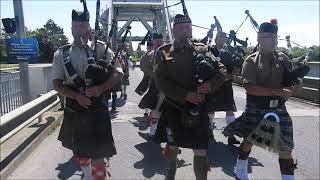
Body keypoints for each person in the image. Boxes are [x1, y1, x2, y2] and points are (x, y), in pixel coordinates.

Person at [223, 19, 302, 180]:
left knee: (285, 147)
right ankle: (241, 170)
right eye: (269, 36)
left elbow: (294, 79)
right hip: (256, 107)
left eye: (275, 36)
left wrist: (295, 87)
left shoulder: (283, 58)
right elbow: (249, 87)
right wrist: (277, 91)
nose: (274, 39)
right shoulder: (251, 60)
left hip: (279, 108)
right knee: (249, 141)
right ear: (259, 38)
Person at [153, 14, 228, 180]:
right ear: (173, 30)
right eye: (181, 28)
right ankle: (170, 175)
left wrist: (210, 85)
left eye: (188, 27)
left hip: (198, 107)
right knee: (172, 146)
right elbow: (161, 82)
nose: (185, 31)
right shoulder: (163, 52)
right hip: (174, 106)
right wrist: (186, 95)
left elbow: (222, 71)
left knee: (200, 148)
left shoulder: (202, 49)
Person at [52, 8, 123, 180]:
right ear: (71, 29)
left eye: (83, 26)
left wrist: (101, 88)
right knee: (81, 153)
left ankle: (98, 175)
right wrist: (76, 96)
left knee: (98, 154)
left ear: (89, 28)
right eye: (76, 26)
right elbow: (56, 83)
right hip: (75, 108)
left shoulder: (101, 49)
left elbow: (118, 72)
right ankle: (87, 174)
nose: (79, 30)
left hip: (98, 107)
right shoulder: (61, 54)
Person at [207, 31, 240, 145]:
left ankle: (231, 135)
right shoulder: (209, 51)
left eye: (224, 38)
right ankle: (209, 132)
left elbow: (235, 65)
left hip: (226, 86)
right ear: (215, 39)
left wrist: (236, 70)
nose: (222, 39)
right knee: (210, 110)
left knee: (230, 111)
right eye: (220, 37)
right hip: (214, 85)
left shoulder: (230, 52)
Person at [138, 32, 165, 137]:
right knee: (156, 110)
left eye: (160, 40)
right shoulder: (149, 55)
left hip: (170, 87)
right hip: (156, 86)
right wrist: (154, 74)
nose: (158, 43)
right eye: (156, 41)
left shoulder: (170, 52)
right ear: (153, 41)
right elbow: (143, 67)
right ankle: (152, 133)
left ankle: (171, 141)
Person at [136, 40, 154, 116]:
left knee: (148, 93)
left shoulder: (144, 56)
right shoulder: (155, 54)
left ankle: (147, 111)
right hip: (152, 77)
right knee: (151, 93)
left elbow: (142, 67)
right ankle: (149, 110)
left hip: (147, 76)